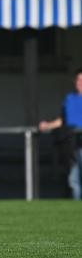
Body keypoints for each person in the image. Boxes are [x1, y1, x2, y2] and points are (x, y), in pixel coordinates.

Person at [39, 68, 82, 200]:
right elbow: (63, 120)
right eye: (79, 80)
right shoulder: (70, 99)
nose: (80, 83)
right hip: (71, 143)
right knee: (73, 179)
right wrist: (48, 125)